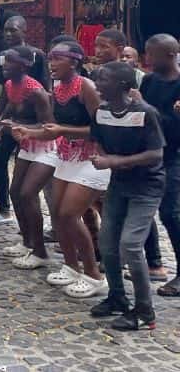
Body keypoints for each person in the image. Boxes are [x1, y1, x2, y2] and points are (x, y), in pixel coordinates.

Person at [89, 62, 166, 331]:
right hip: (118, 185)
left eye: (104, 80)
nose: (97, 84)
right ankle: (117, 298)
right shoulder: (101, 112)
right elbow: (97, 139)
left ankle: (145, 310)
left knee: (130, 245)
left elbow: (156, 154)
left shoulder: (145, 113)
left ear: (123, 85)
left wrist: (115, 160)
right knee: (108, 244)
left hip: (147, 187)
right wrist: (101, 156)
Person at [92, 29, 167, 281]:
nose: (99, 50)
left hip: (146, 155)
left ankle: (153, 261)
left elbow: (145, 114)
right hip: (115, 159)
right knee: (112, 217)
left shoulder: (135, 79)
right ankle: (112, 264)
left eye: (105, 46)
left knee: (141, 218)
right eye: (97, 45)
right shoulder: (99, 81)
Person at [40, 43, 107, 297]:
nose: (52, 64)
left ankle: (94, 275)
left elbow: (102, 127)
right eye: (50, 58)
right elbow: (56, 126)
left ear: (74, 62)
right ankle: (70, 265)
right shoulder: (57, 88)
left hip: (92, 156)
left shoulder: (85, 87)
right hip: (66, 155)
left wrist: (63, 132)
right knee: (57, 214)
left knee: (70, 214)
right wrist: (32, 132)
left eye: (58, 59)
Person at [0, 18, 49, 227]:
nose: (8, 34)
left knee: (32, 171)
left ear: (24, 30)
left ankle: (37, 213)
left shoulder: (37, 55)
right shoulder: (2, 56)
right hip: (11, 118)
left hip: (34, 121)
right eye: (6, 30)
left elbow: (45, 88)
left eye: (13, 30)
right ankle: (3, 208)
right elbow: (2, 91)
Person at [136, 34, 180, 297]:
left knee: (171, 213)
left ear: (171, 54)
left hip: (173, 154)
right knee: (143, 209)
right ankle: (154, 263)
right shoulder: (150, 81)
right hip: (149, 152)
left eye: (153, 54)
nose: (148, 59)